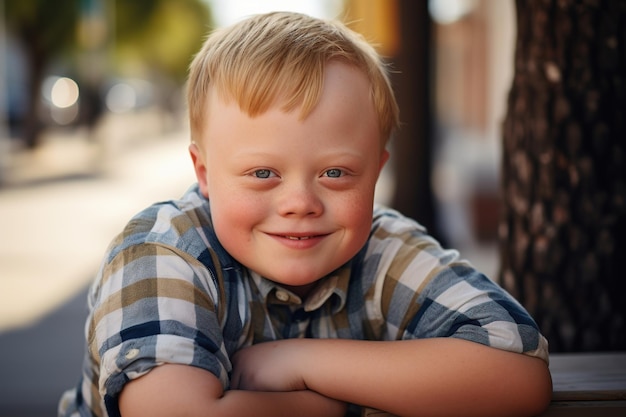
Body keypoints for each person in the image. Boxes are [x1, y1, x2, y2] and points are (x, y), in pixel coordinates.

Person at [59, 11, 552, 417]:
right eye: (262, 174)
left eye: (335, 174)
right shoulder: (161, 252)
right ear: (204, 173)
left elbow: (519, 373)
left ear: (375, 174)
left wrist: (300, 362)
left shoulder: (382, 250)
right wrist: (325, 409)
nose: (301, 202)